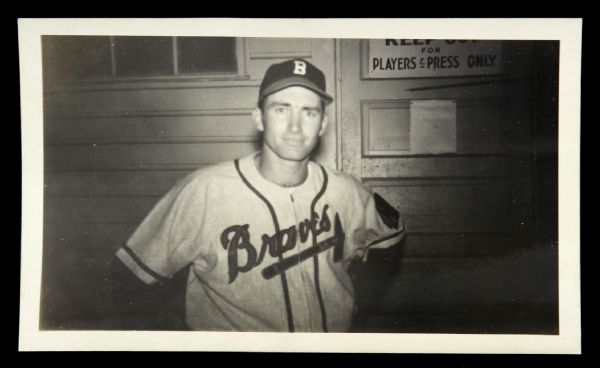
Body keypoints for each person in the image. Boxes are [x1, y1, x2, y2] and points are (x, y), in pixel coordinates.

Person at [111, 58, 405, 332]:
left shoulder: (346, 191)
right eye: (281, 109)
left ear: (323, 125)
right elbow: (130, 276)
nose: (294, 126)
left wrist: (361, 307)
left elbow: (390, 238)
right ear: (259, 118)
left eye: (309, 112)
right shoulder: (204, 190)